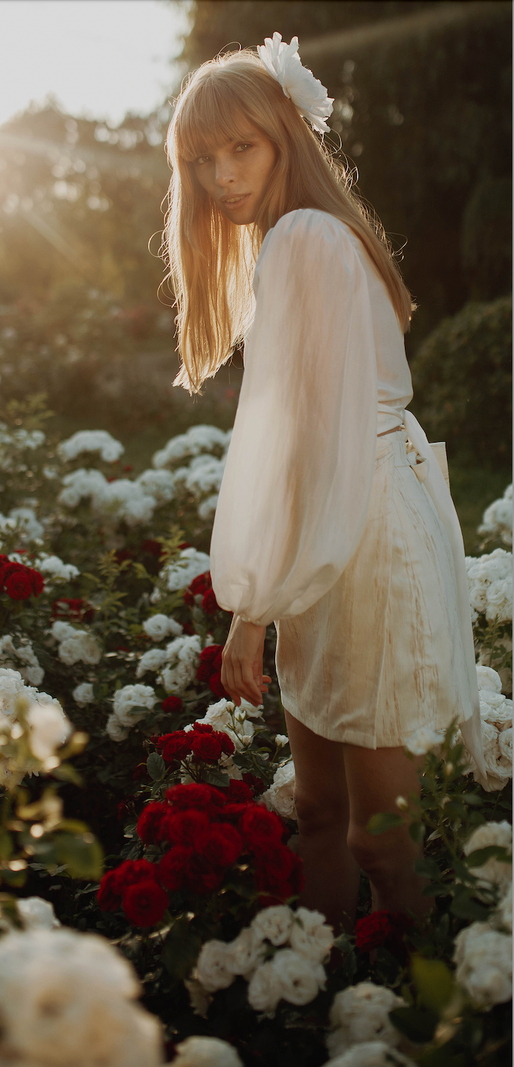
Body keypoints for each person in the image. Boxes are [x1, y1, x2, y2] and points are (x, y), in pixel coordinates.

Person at [163, 34, 490, 933]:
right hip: (334, 524)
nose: (223, 177)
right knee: (320, 814)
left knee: (382, 841)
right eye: (202, 160)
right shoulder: (302, 237)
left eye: (244, 148)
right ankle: (325, 999)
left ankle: (429, 1010)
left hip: (361, 533)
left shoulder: (307, 239)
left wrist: (253, 605)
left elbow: (303, 444)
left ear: (286, 141)